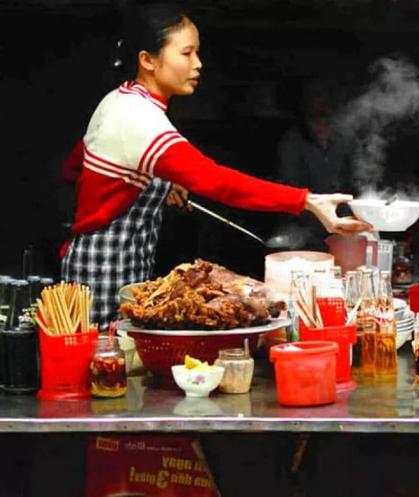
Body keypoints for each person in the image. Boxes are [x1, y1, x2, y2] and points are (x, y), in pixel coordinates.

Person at [60, 5, 370, 328]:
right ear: (147, 60)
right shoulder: (140, 119)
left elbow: (75, 167)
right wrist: (306, 200)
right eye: (187, 53)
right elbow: (216, 181)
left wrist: (150, 181)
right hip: (103, 275)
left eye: (197, 52)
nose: (198, 64)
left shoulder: (118, 100)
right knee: (100, 367)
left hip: (101, 265)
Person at [273, 77, 357, 250]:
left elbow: (358, 178)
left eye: (327, 95)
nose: (323, 101)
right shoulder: (293, 140)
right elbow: (289, 184)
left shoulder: (346, 138)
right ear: (305, 102)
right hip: (305, 224)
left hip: (344, 220)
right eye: (317, 95)